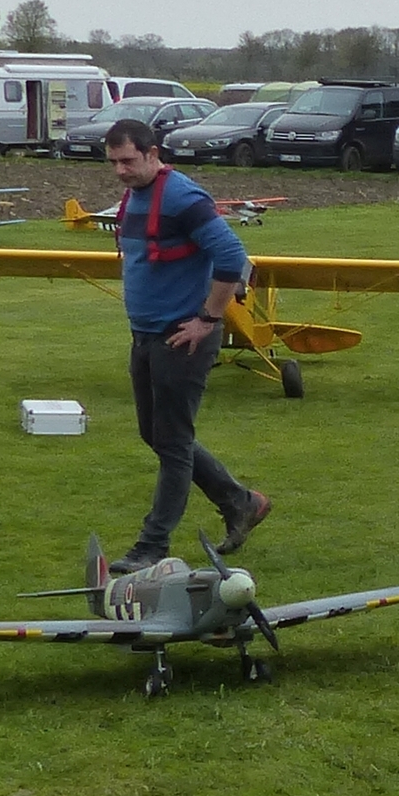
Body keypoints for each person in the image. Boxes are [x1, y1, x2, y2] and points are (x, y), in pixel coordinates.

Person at [100, 119, 269, 575]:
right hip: (146, 334)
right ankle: (241, 501)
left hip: (182, 337)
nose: (120, 171)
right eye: (113, 162)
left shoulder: (182, 198)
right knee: (155, 434)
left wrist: (208, 319)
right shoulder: (135, 195)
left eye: (128, 161)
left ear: (153, 154)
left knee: (173, 443)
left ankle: (151, 546)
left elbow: (233, 258)